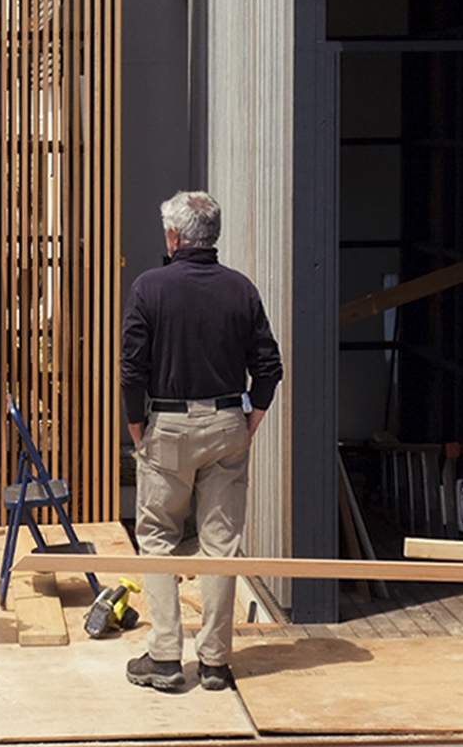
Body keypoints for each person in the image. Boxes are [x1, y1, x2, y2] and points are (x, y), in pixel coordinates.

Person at [120, 189, 283, 696]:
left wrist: (136, 428)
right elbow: (269, 366)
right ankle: (214, 662)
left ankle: (165, 656)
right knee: (221, 543)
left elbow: (132, 369)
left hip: (167, 426)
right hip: (228, 422)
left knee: (157, 536)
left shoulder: (149, 287)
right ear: (213, 235)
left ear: (174, 236)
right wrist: (250, 420)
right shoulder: (241, 289)